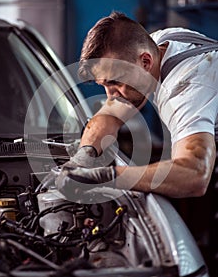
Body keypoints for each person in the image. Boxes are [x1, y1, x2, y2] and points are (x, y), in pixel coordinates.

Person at [55, 11, 218, 199]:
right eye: (105, 85)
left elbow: (195, 174)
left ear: (146, 62)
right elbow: (112, 113)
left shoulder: (186, 88)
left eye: (115, 81)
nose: (110, 95)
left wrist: (106, 176)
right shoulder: (158, 44)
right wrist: (82, 158)